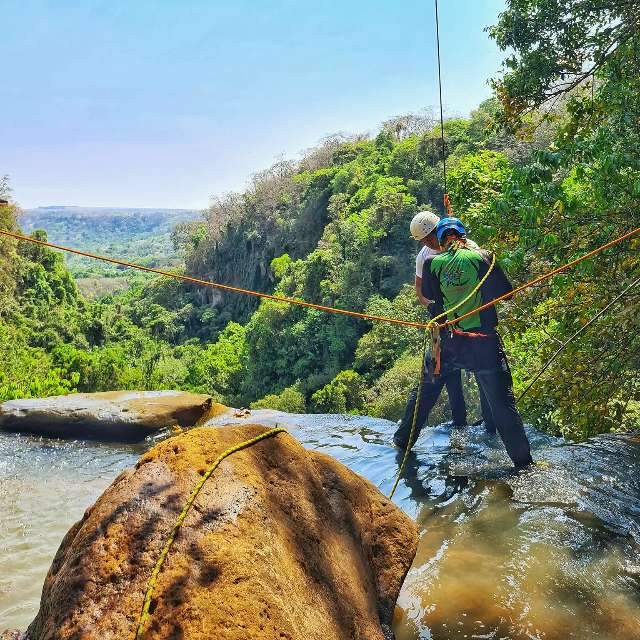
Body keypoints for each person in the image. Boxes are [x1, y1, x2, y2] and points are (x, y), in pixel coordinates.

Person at [395, 216, 533, 469]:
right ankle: (524, 466)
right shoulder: (483, 257)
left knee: (424, 394)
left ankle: (402, 443)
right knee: (504, 407)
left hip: (447, 343)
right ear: (462, 235)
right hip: (484, 344)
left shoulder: (431, 262)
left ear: (439, 238)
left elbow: (430, 297)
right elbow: (507, 294)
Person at [408, 210, 468, 428]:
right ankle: (459, 421)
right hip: (441, 324)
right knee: (443, 373)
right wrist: (434, 306)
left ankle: (491, 424)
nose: (427, 243)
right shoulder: (424, 257)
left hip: (469, 319)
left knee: (483, 374)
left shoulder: (467, 247)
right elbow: (419, 290)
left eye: (429, 238)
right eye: (423, 240)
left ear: (438, 231)